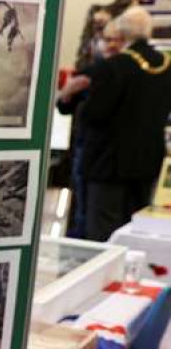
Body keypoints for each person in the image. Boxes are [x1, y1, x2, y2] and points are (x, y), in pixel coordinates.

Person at [82, 7, 171, 241]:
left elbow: (93, 115)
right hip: (147, 161)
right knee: (135, 231)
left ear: (121, 32)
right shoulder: (166, 66)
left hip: (109, 163)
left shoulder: (113, 66)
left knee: (102, 232)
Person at [56, 17, 125, 238]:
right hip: (88, 151)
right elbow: (64, 107)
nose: (112, 45)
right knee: (85, 211)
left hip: (113, 156)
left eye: (117, 40)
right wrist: (69, 91)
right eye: (107, 40)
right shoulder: (92, 70)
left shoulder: (128, 72)